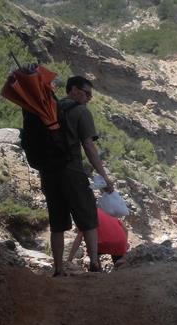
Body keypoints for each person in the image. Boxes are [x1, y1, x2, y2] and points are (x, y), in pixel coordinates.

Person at [41, 76, 113, 276]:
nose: (89, 97)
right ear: (73, 89)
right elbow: (88, 146)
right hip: (72, 171)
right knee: (88, 218)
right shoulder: (81, 111)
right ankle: (95, 264)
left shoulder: (47, 108)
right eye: (86, 92)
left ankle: (58, 269)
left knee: (57, 224)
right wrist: (104, 176)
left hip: (48, 174)